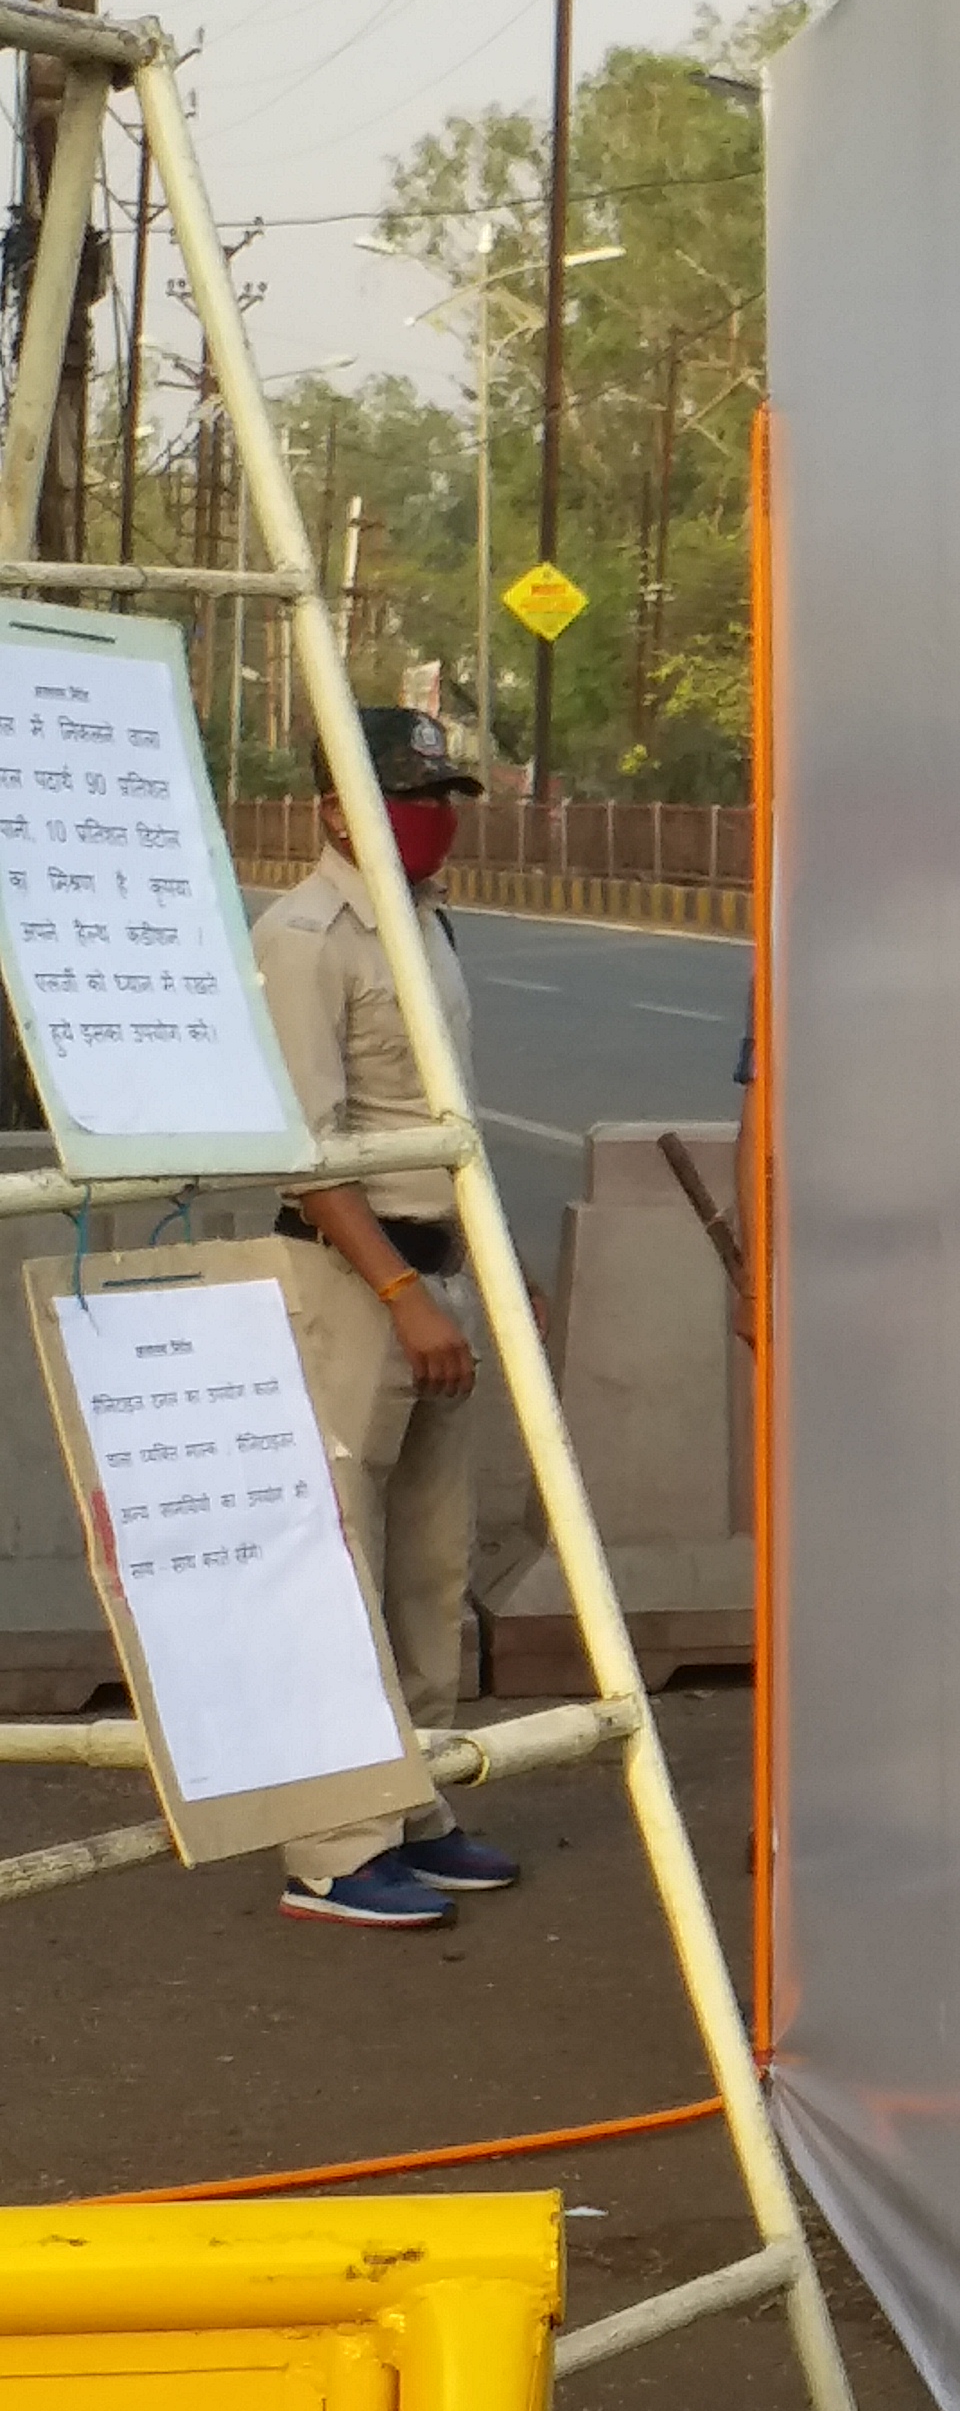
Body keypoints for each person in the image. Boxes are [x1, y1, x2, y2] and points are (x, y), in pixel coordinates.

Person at [250, 706, 525, 1930]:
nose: (432, 816)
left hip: (433, 1277)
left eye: (441, 793)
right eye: (407, 793)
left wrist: (445, 1286)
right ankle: (333, 1846)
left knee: (428, 1562)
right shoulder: (304, 938)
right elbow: (306, 1152)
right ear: (329, 808)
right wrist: (406, 1295)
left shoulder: (423, 923)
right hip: (352, 1284)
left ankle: (414, 1803)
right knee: (341, 1564)